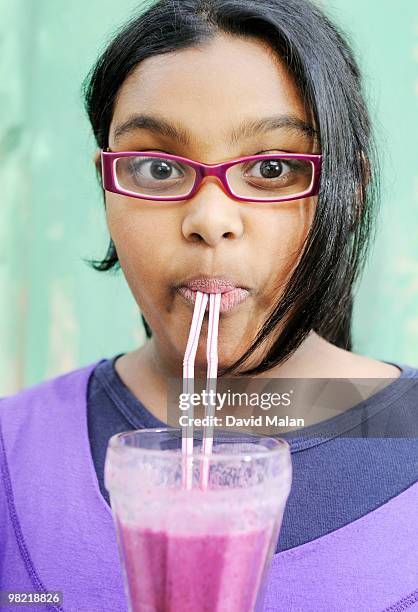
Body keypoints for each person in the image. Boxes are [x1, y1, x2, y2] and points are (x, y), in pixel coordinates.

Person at [1, 0, 417, 610]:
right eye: (156, 167)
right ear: (106, 189)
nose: (209, 219)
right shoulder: (13, 450)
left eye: (273, 167)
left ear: (347, 195)